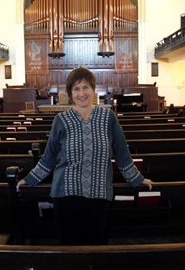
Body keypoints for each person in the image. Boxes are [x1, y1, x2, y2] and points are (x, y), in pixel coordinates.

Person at [16, 67, 152, 245]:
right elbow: (49, 157)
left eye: (86, 87)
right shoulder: (61, 120)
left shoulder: (109, 117)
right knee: (69, 247)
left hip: (99, 193)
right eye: (77, 89)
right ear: (71, 93)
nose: (82, 93)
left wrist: (137, 179)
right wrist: (29, 180)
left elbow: (122, 153)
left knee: (97, 246)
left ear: (93, 89)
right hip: (65, 195)